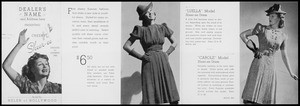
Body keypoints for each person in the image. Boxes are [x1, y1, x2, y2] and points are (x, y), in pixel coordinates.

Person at [240, 4, 298, 104]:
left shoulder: (283, 36)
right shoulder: (261, 28)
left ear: (279, 17)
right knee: (250, 99)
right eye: (269, 16)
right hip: (258, 64)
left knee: (265, 99)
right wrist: (254, 50)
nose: (269, 18)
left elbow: (284, 55)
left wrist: (291, 73)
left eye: (272, 16)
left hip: (271, 67)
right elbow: (243, 35)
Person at [123, 2, 179, 104]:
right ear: (143, 17)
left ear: (155, 14)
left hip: (163, 60)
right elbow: (126, 46)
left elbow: (175, 42)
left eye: (150, 11)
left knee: (171, 93)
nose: (150, 13)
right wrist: (141, 57)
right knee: (151, 97)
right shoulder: (140, 30)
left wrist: (167, 53)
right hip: (149, 62)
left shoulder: (162, 27)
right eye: (146, 13)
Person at [2, 29, 61, 94]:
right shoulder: (26, 85)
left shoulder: (57, 88)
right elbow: (6, 66)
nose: (45, 66)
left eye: (46, 64)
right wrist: (20, 44)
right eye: (40, 64)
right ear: (33, 69)